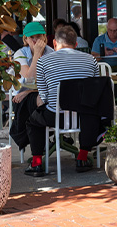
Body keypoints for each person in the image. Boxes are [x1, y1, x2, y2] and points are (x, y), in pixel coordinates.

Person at [25, 25, 101, 175]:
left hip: (55, 116)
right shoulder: (91, 60)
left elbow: (45, 96)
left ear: (54, 44)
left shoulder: (43, 62)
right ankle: (82, 157)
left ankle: (37, 163)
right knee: (91, 114)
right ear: (76, 44)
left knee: (32, 122)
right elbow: (94, 91)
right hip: (82, 116)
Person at [8, 22, 52, 156]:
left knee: (44, 98)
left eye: (38, 36)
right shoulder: (20, 53)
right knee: (40, 99)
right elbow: (30, 79)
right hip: (22, 97)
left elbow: (52, 81)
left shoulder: (51, 52)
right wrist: (37, 55)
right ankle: (42, 142)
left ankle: (42, 143)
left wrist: (28, 91)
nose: (35, 40)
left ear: (44, 37)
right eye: (31, 37)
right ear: (25, 39)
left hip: (43, 94)